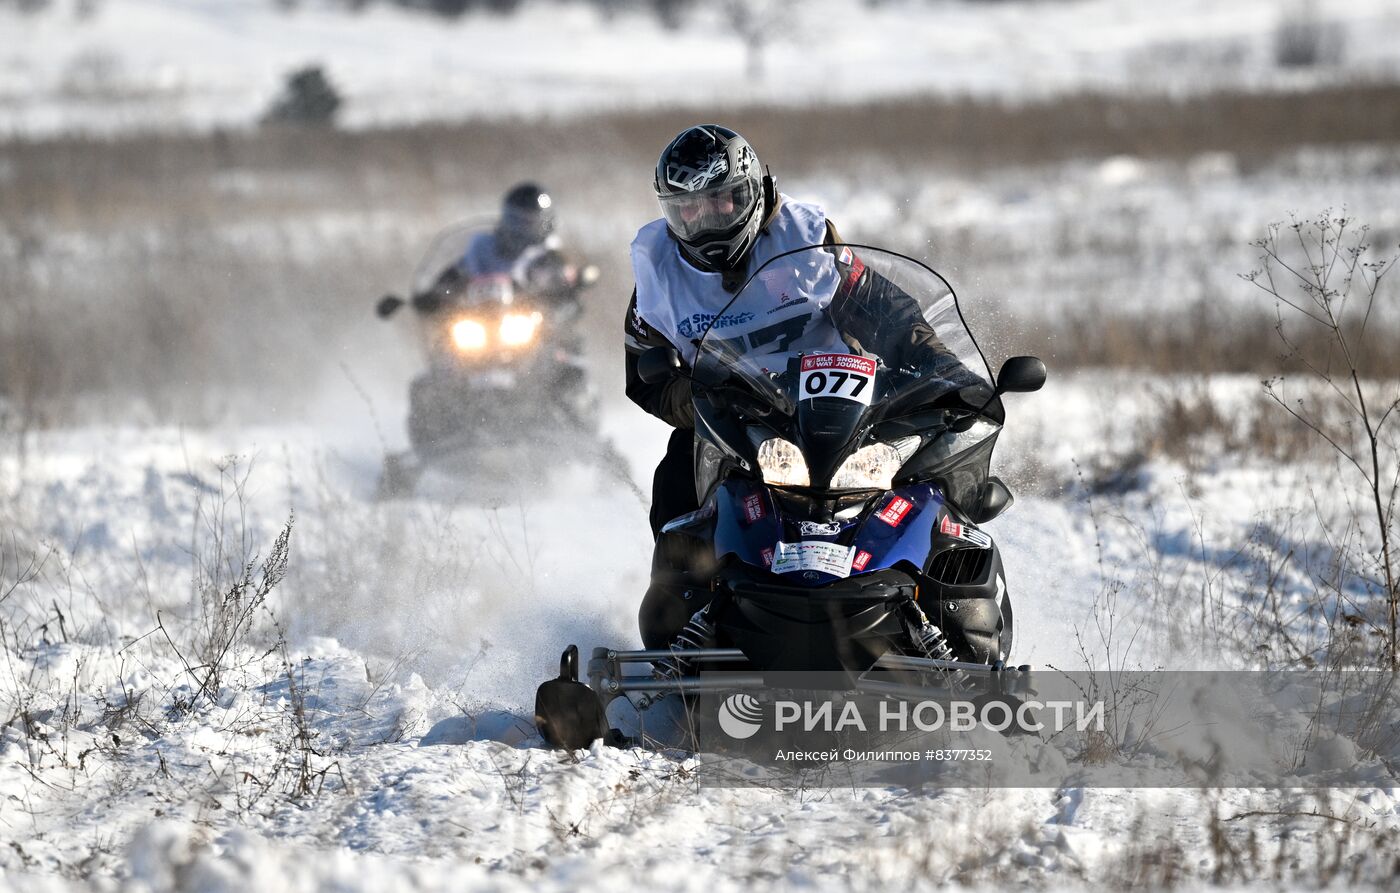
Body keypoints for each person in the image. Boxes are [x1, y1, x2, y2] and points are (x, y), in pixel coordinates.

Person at [625, 125, 984, 648]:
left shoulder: (806, 238)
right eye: (688, 210)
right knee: (677, 486)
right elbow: (643, 374)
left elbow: (886, 312)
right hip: (735, 417)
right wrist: (704, 402)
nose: (707, 222)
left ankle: (943, 613)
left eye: (723, 202)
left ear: (752, 192)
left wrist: (947, 373)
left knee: (923, 474)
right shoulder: (656, 272)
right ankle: (688, 628)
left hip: (838, 404)